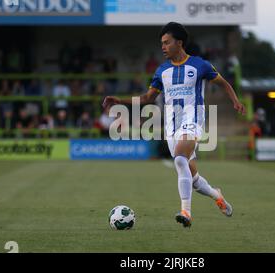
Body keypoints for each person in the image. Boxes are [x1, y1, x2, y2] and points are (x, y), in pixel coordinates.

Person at [102, 22, 246, 228]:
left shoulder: (199, 65)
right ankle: (217, 195)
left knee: (180, 158)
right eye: (161, 43)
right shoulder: (162, 71)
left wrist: (235, 100)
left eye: (166, 42)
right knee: (193, 178)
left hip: (193, 121)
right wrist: (120, 101)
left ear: (179, 43)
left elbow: (222, 82)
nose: (163, 46)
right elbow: (147, 99)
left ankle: (185, 212)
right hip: (172, 128)